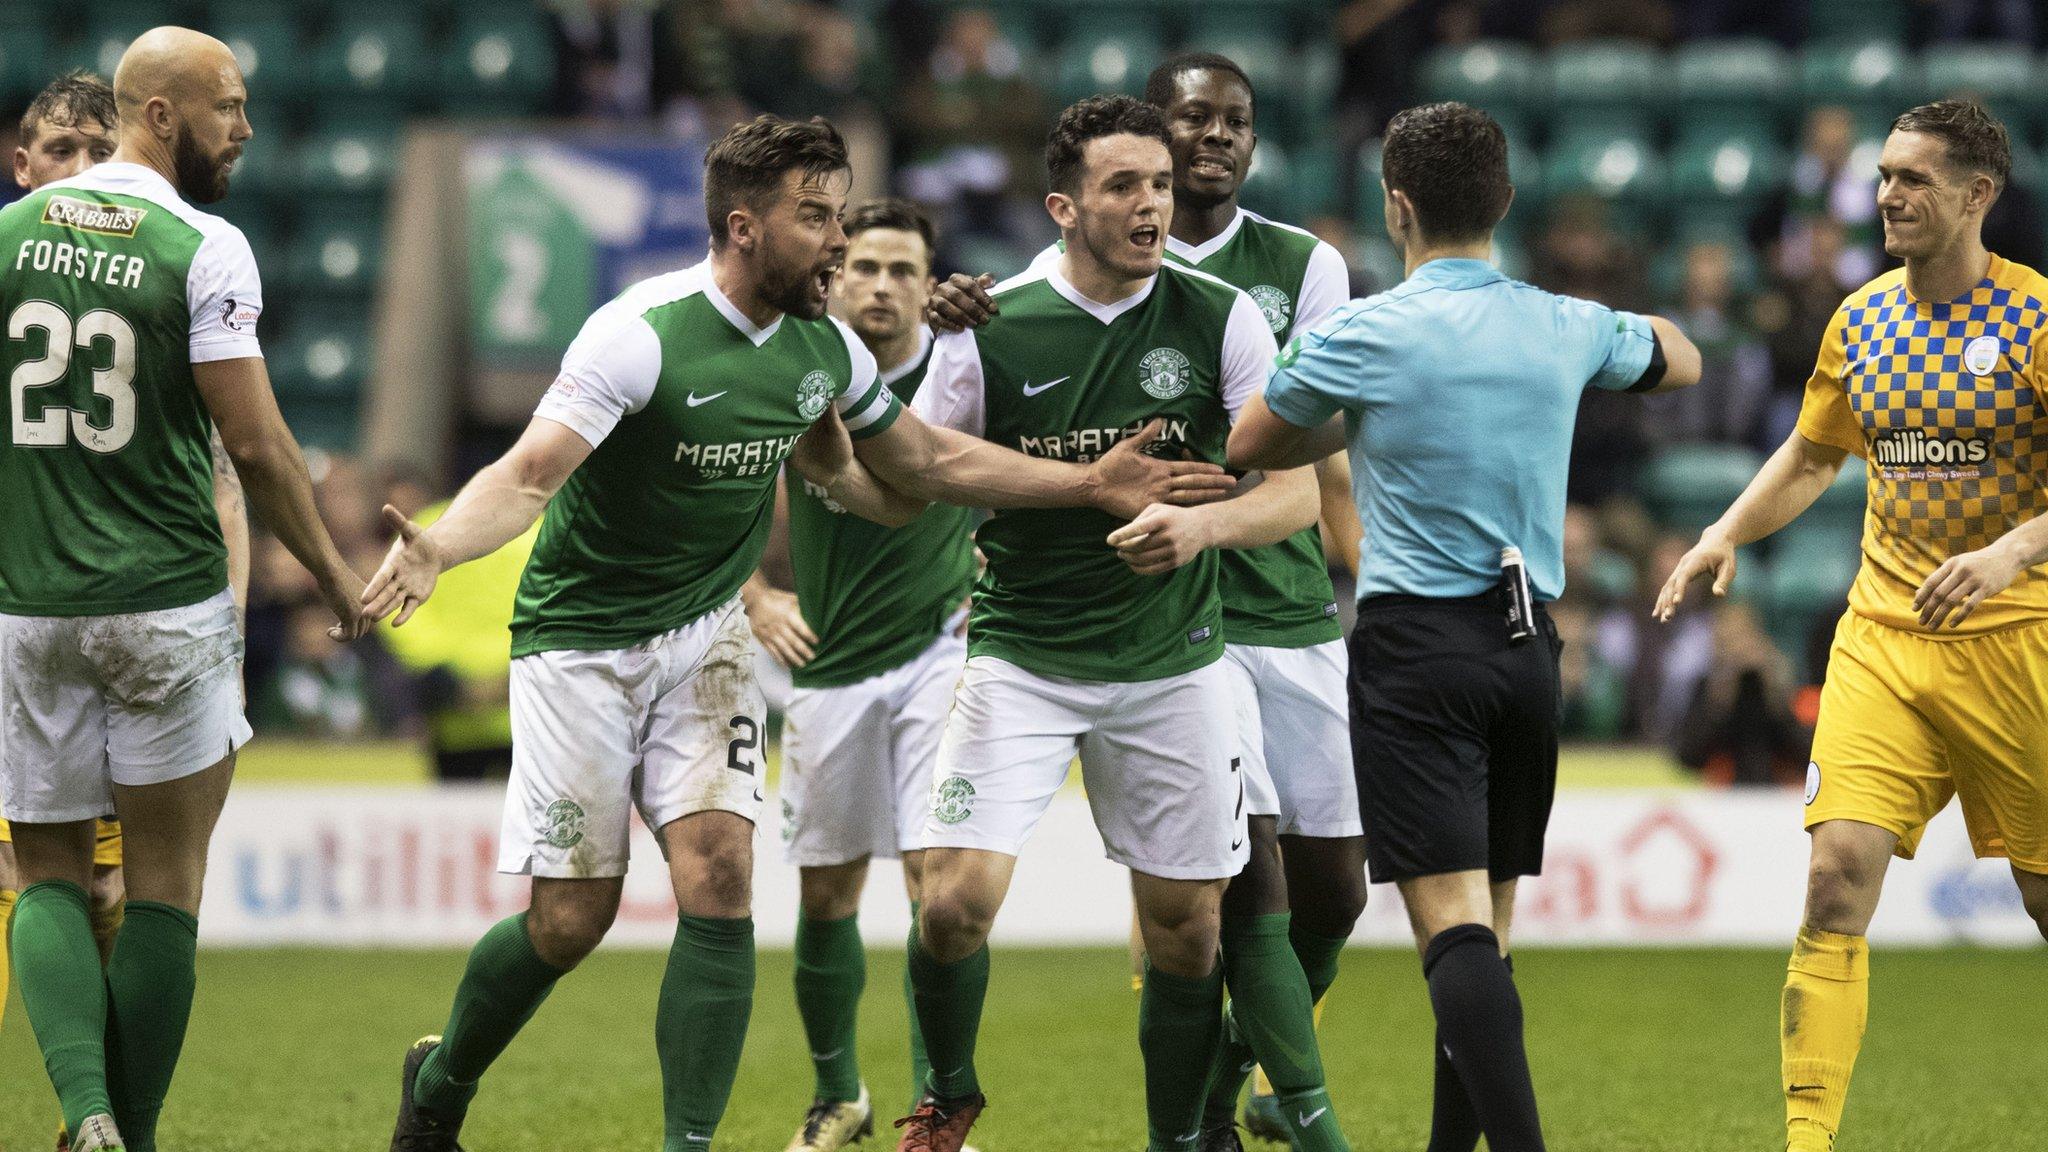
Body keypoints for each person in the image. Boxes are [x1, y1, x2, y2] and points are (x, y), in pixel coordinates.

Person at [366, 112, 1238, 1152]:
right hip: (582, 642)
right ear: (743, 227)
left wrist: (1083, 484)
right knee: (571, 920)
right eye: (815, 218)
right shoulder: (637, 333)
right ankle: (442, 1084)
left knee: (721, 879)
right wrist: (436, 545)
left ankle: (688, 1144)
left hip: (704, 637)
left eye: (841, 214)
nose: (835, 240)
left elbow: (923, 462)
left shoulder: (822, 346)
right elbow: (525, 477)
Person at [1228, 102, 1701, 1152]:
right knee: (1486, 931)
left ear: (1394, 204)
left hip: (1415, 650)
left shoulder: (1361, 330)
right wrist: (1598, 338)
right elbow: (1681, 357)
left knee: (1449, 935)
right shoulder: (1563, 322)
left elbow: (1252, 436)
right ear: (1506, 202)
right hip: (1529, 646)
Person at [927, 52, 1364, 1152]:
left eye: (1158, 186)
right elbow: (927, 466)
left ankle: (1182, 1138)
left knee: (1189, 934)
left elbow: (1291, 491)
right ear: (1064, 206)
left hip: (1175, 657)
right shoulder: (992, 320)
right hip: (1024, 649)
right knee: (950, 905)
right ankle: (946, 1093)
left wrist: (1198, 525)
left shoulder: (1224, 314)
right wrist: (1081, 487)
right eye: (1124, 187)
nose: (1150, 205)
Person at [0, 26, 369, 1152]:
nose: (246, 130)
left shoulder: (8, 236)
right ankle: (135, 1138)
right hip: (165, 603)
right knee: (164, 886)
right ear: (159, 115)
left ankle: (85, 1114)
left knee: (48, 868)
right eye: (228, 108)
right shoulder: (204, 245)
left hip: (31, 607)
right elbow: (256, 449)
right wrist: (337, 578)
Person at [1656, 99, 2048, 1152]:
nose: (1886, 194)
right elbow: (1812, 452)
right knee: (1833, 876)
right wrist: (1723, 530)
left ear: (1977, 196)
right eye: (1882, 174)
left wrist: (2011, 550)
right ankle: (1805, 1141)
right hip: (1882, 635)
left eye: (1913, 178)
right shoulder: (1860, 317)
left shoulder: (2037, 322)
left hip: (2019, 646)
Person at [0, 73, 253, 1064]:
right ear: (21, 166)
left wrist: (227, 628)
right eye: (58, 152)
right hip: (31, 614)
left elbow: (223, 480)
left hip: (117, 620)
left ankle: (90, 1110)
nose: (78, 171)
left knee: (99, 886)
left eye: (95, 152)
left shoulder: (158, 280)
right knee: (41, 873)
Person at [742, 197, 974, 1151]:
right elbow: (722, 478)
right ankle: (840, 1095)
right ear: (834, 278)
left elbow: (1014, 464)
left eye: (903, 270)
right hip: (828, 662)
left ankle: (937, 1107)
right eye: (864, 267)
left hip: (941, 650)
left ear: (931, 284)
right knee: (827, 891)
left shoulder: (963, 368)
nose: (881, 285)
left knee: (936, 880)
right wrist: (755, 595)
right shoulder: (798, 363)